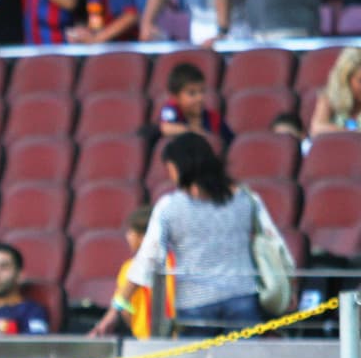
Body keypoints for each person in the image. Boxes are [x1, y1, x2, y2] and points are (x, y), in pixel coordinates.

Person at [124, 133, 267, 337]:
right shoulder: (246, 199)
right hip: (242, 296)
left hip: (195, 304)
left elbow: (149, 256)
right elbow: (272, 241)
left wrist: (120, 303)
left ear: (181, 167)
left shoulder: (170, 207)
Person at [89, 205, 177, 338]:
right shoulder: (176, 261)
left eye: (130, 232)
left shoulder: (130, 268)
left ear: (143, 237)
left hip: (147, 340)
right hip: (181, 338)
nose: (127, 237)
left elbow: (124, 308)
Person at [158, 62, 233, 146]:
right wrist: (194, 131)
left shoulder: (214, 119)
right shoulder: (171, 109)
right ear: (175, 97)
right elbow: (166, 128)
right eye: (192, 93)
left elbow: (231, 142)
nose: (200, 98)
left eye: (202, 91)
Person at [309, 47, 361, 136]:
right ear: (345, 79)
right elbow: (316, 129)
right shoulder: (329, 97)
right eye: (360, 81)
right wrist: (354, 134)